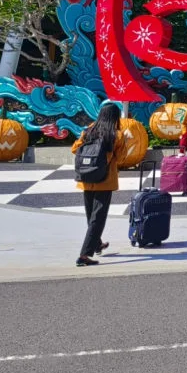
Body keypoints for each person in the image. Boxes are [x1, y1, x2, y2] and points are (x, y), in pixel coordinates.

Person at [70, 102, 120, 267]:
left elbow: (74, 149)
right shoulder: (114, 134)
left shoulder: (89, 130)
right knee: (98, 218)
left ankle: (97, 243)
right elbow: (121, 155)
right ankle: (84, 255)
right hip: (104, 181)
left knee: (91, 216)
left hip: (86, 179)